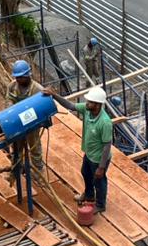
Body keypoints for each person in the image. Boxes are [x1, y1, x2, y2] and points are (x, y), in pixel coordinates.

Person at [45, 85, 113, 213]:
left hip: (99, 159)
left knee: (99, 181)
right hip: (89, 153)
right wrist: (54, 95)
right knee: (85, 173)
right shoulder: (87, 110)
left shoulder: (105, 122)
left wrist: (101, 167)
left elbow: (107, 145)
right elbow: (70, 106)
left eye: (90, 102)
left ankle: (100, 204)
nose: (87, 103)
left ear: (98, 105)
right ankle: (89, 195)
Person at [4, 59, 45, 184]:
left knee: (34, 148)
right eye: (17, 77)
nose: (18, 80)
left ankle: (38, 173)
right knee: (16, 148)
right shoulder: (12, 86)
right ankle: (15, 171)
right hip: (17, 122)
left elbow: (41, 108)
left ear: (27, 76)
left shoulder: (37, 89)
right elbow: (8, 102)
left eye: (21, 77)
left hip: (32, 122)